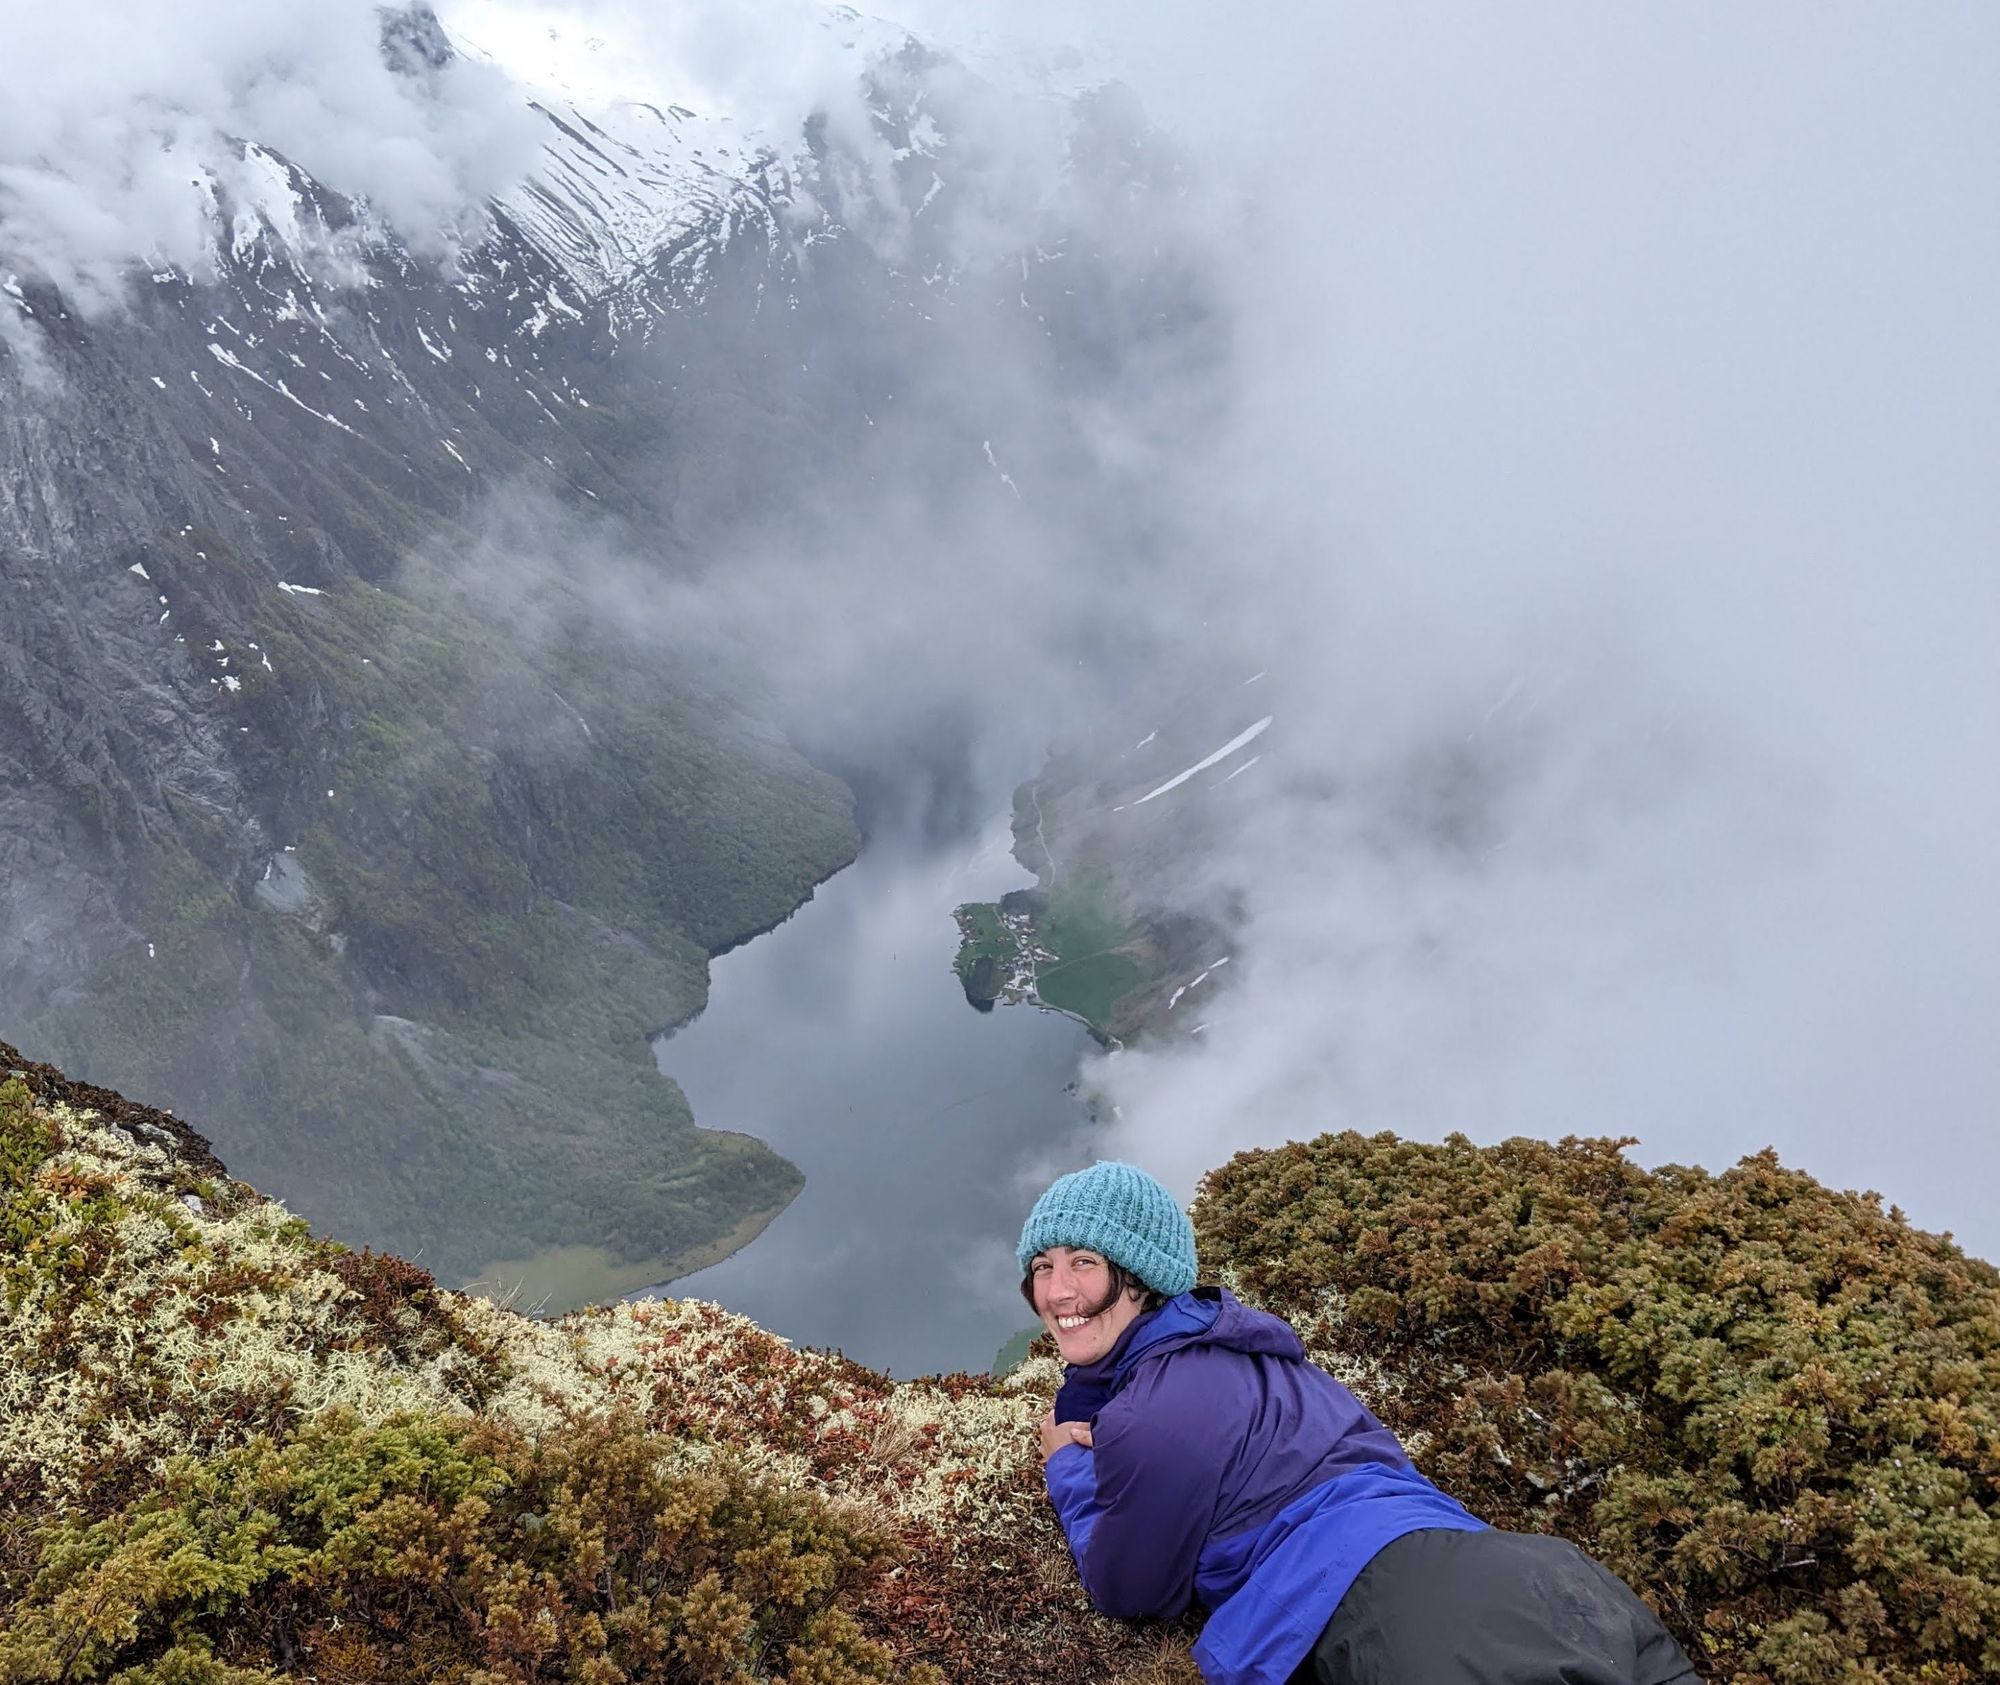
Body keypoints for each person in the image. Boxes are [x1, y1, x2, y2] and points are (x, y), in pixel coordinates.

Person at [1022, 1159, 1701, 1685]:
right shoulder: (1248, 1342)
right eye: (1042, 1267)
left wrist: (1069, 1468)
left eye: (1085, 1262)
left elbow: (1128, 1587)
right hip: (1544, 1578)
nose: (1056, 1291)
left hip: (1392, 1619)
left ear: (1139, 1278)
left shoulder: (1150, 1417)